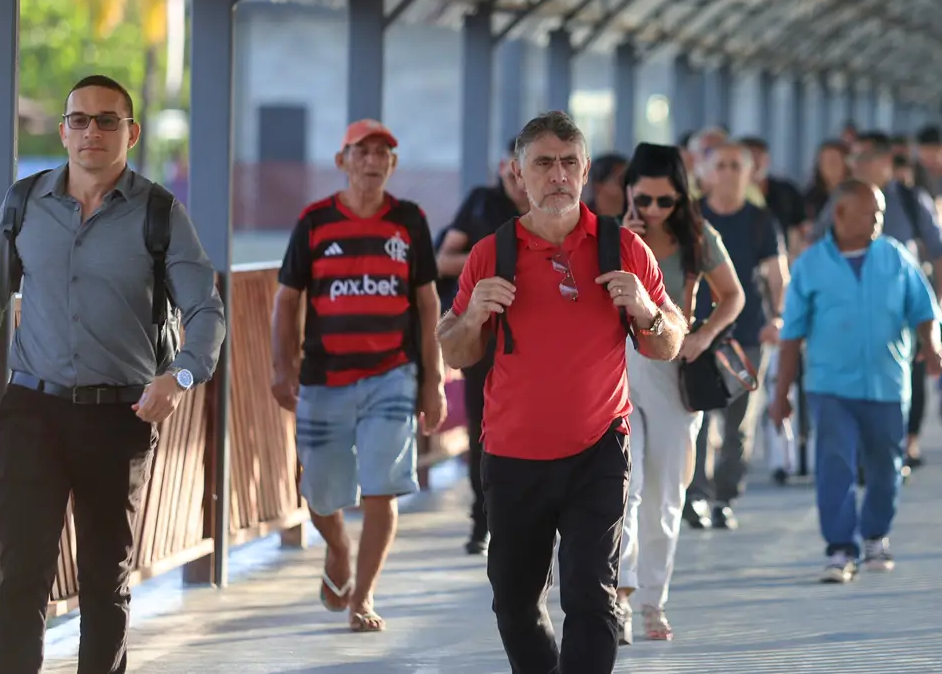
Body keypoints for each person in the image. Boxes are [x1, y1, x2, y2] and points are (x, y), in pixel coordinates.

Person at [0, 74, 226, 674]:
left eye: (106, 120)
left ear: (131, 132)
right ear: (64, 130)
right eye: (80, 119)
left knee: (104, 579)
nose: (92, 130)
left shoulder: (160, 213)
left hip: (120, 417)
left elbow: (206, 310)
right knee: (21, 577)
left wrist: (181, 376)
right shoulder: (24, 203)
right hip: (33, 413)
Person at [438, 111, 686, 674]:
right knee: (514, 603)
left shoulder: (623, 248)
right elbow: (454, 350)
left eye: (569, 163)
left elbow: (669, 341)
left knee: (590, 597)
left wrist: (646, 311)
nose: (558, 175)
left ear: (586, 171)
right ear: (518, 173)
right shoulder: (491, 253)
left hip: (598, 448)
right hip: (513, 453)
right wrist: (472, 316)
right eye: (543, 163)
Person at [270, 118, 447, 633]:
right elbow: (287, 300)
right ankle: (339, 549)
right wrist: (283, 367)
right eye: (362, 151)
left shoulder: (410, 221)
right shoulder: (314, 222)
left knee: (381, 490)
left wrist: (432, 380)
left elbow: (428, 303)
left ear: (392, 164)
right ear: (342, 161)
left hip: (392, 373)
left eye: (381, 153)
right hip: (324, 377)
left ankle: (363, 598)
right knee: (319, 492)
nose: (372, 160)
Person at [770, 179, 942, 583]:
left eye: (881, 213)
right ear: (840, 214)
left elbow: (925, 310)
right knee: (835, 464)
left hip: (887, 384)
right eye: (870, 213)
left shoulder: (896, 257)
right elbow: (791, 336)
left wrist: (933, 348)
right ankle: (840, 548)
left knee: (886, 466)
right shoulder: (811, 265)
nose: (878, 221)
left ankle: (875, 534)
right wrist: (781, 395)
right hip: (830, 387)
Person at [616, 143, 745, 642]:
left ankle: (653, 600)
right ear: (628, 191)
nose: (652, 209)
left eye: (664, 201)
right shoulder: (610, 236)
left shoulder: (697, 236)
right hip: (621, 368)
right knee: (623, 487)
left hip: (675, 373)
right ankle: (620, 597)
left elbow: (733, 295)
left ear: (681, 197)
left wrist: (702, 336)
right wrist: (623, 241)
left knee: (666, 493)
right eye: (643, 199)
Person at [809, 135, 942, 470]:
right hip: (848, 307)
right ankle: (862, 452)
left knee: (905, 376)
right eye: (855, 160)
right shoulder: (841, 200)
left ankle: (904, 443)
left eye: (865, 160)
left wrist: (941, 302)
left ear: (886, 163)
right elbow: (815, 245)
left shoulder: (911, 200)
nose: (857, 167)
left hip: (900, 309)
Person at [686, 141, 788, 531]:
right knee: (697, 417)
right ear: (707, 173)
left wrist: (778, 318)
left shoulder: (761, 221)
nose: (728, 173)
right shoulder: (691, 216)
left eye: (735, 166)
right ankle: (696, 494)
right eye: (721, 165)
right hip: (699, 334)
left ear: (749, 174)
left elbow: (777, 276)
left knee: (737, 424)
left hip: (747, 336)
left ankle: (724, 497)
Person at [435, 140, 529, 555]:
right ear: (504, 167)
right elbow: (443, 260)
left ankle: (528, 517)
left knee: (532, 427)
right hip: (484, 334)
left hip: (535, 338)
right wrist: (493, 258)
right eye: (511, 170)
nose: (518, 180)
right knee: (483, 429)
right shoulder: (481, 202)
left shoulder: (551, 208)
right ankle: (482, 520)